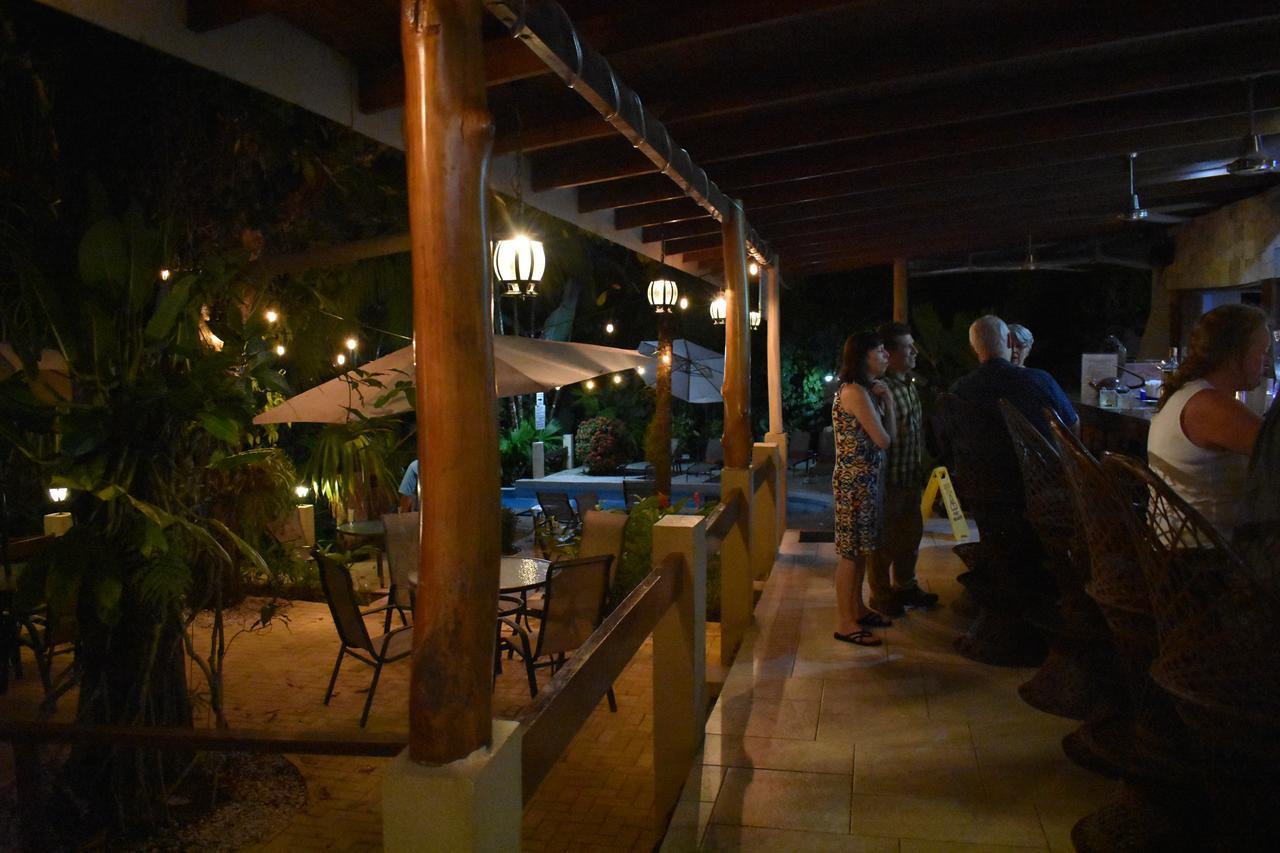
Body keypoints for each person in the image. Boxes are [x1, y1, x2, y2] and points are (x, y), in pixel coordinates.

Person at [1148, 304, 1269, 534]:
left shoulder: (1189, 393)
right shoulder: (1209, 406)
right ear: (1235, 353)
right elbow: (1273, 451)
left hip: (1169, 552)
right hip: (1206, 559)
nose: (1267, 362)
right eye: (1262, 352)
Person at [868, 322, 939, 617]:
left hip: (910, 475)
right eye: (908, 347)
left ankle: (906, 585)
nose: (914, 352)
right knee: (884, 540)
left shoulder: (909, 385)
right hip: (889, 479)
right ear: (891, 354)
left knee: (911, 534)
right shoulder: (880, 390)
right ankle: (881, 594)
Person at [832, 331, 896, 647]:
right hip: (854, 482)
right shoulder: (855, 392)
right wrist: (886, 402)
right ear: (864, 356)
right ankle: (845, 622)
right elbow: (883, 440)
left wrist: (889, 401)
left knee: (858, 552)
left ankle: (857, 609)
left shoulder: (866, 391)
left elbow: (887, 438)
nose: (886, 355)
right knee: (850, 553)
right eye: (880, 350)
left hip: (863, 480)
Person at [950, 315, 1078, 436]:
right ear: (1010, 341)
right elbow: (1072, 425)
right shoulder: (1041, 381)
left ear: (973, 349)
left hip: (976, 459)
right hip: (1034, 458)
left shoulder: (958, 391)